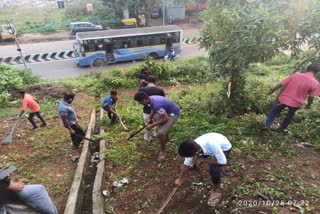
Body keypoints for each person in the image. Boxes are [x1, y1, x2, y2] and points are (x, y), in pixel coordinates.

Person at [175, 133, 232, 207]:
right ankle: (196, 166)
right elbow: (186, 165)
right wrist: (180, 179)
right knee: (198, 160)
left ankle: (215, 192)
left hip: (224, 148)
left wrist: (203, 160)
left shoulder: (212, 145)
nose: (188, 157)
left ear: (196, 152)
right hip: (205, 149)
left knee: (214, 168)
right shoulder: (192, 147)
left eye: (189, 156)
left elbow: (223, 163)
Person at [265, 64, 320, 132]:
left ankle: (267, 126)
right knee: (290, 115)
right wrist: (308, 105)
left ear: (307, 69)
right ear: (317, 72)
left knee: (274, 112)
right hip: (297, 102)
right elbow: (311, 97)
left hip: (284, 98)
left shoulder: (296, 75)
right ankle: (283, 129)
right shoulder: (316, 83)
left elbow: (281, 84)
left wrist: (272, 90)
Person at [134, 91, 180, 161]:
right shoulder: (151, 99)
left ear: (144, 100)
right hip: (167, 112)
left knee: (160, 133)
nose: (140, 104)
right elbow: (153, 108)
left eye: (140, 102)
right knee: (162, 127)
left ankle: (163, 152)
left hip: (173, 114)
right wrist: (150, 118)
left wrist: (152, 125)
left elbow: (166, 118)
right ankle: (166, 139)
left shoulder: (156, 104)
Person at [138, 76, 165, 141]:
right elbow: (163, 99)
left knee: (147, 124)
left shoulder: (143, 89)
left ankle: (147, 137)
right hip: (157, 111)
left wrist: (140, 85)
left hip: (147, 111)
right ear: (155, 81)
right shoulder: (160, 89)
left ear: (147, 81)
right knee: (158, 123)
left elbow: (137, 96)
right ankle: (156, 133)